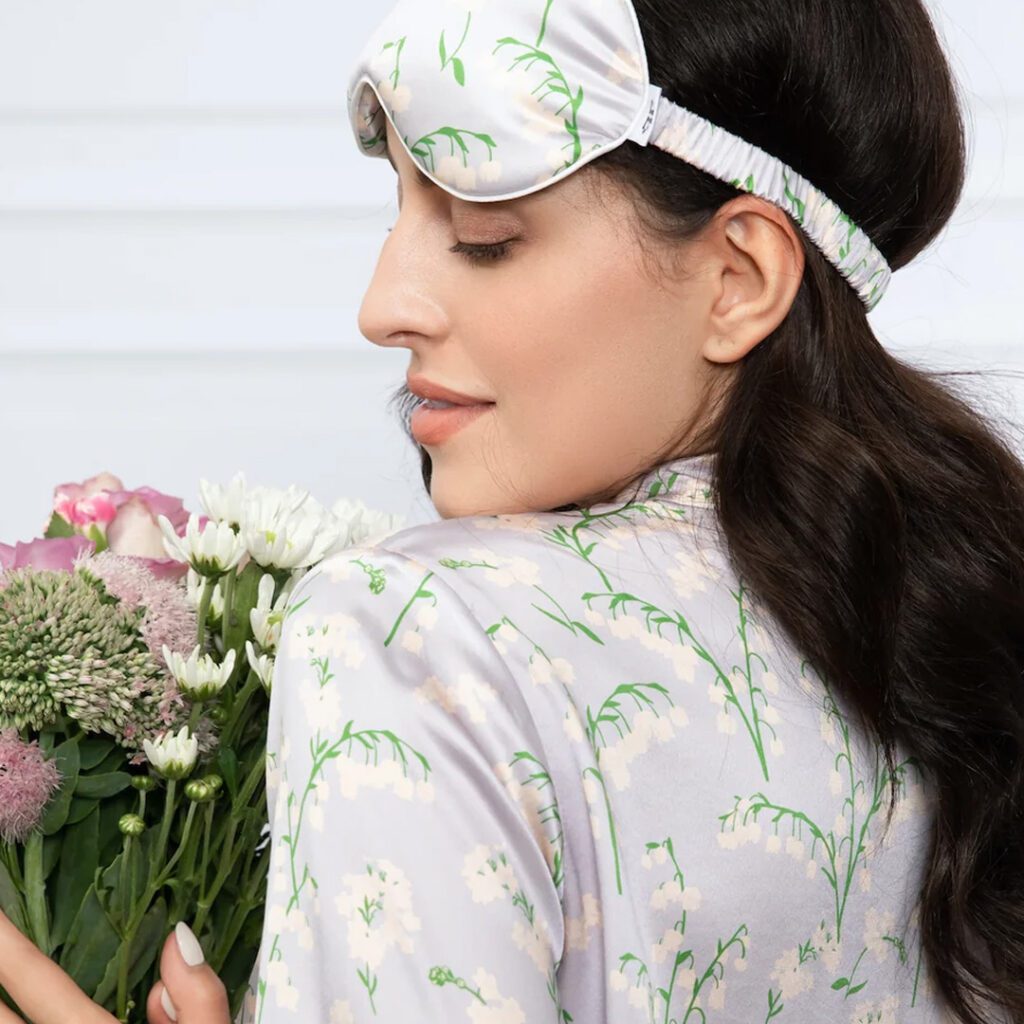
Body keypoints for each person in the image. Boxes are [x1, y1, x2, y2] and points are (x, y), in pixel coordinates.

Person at [2, 0, 1023, 1021]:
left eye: (482, 237)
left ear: (737, 279)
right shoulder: (950, 611)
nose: (381, 306)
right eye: (398, 212)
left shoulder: (419, 633)